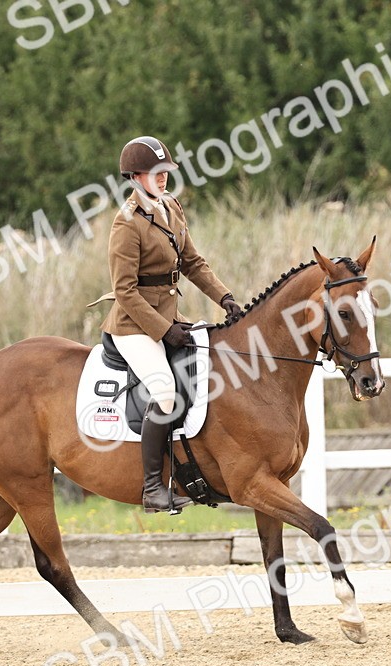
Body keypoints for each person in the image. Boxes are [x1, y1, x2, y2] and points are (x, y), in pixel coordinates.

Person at [99, 135, 245, 513]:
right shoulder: (126, 222)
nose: (163, 177)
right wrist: (164, 331)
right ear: (135, 177)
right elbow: (125, 291)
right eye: (155, 172)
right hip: (134, 325)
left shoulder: (171, 207)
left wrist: (225, 298)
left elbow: (193, 263)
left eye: (165, 171)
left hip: (169, 318)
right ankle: (152, 488)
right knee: (165, 391)